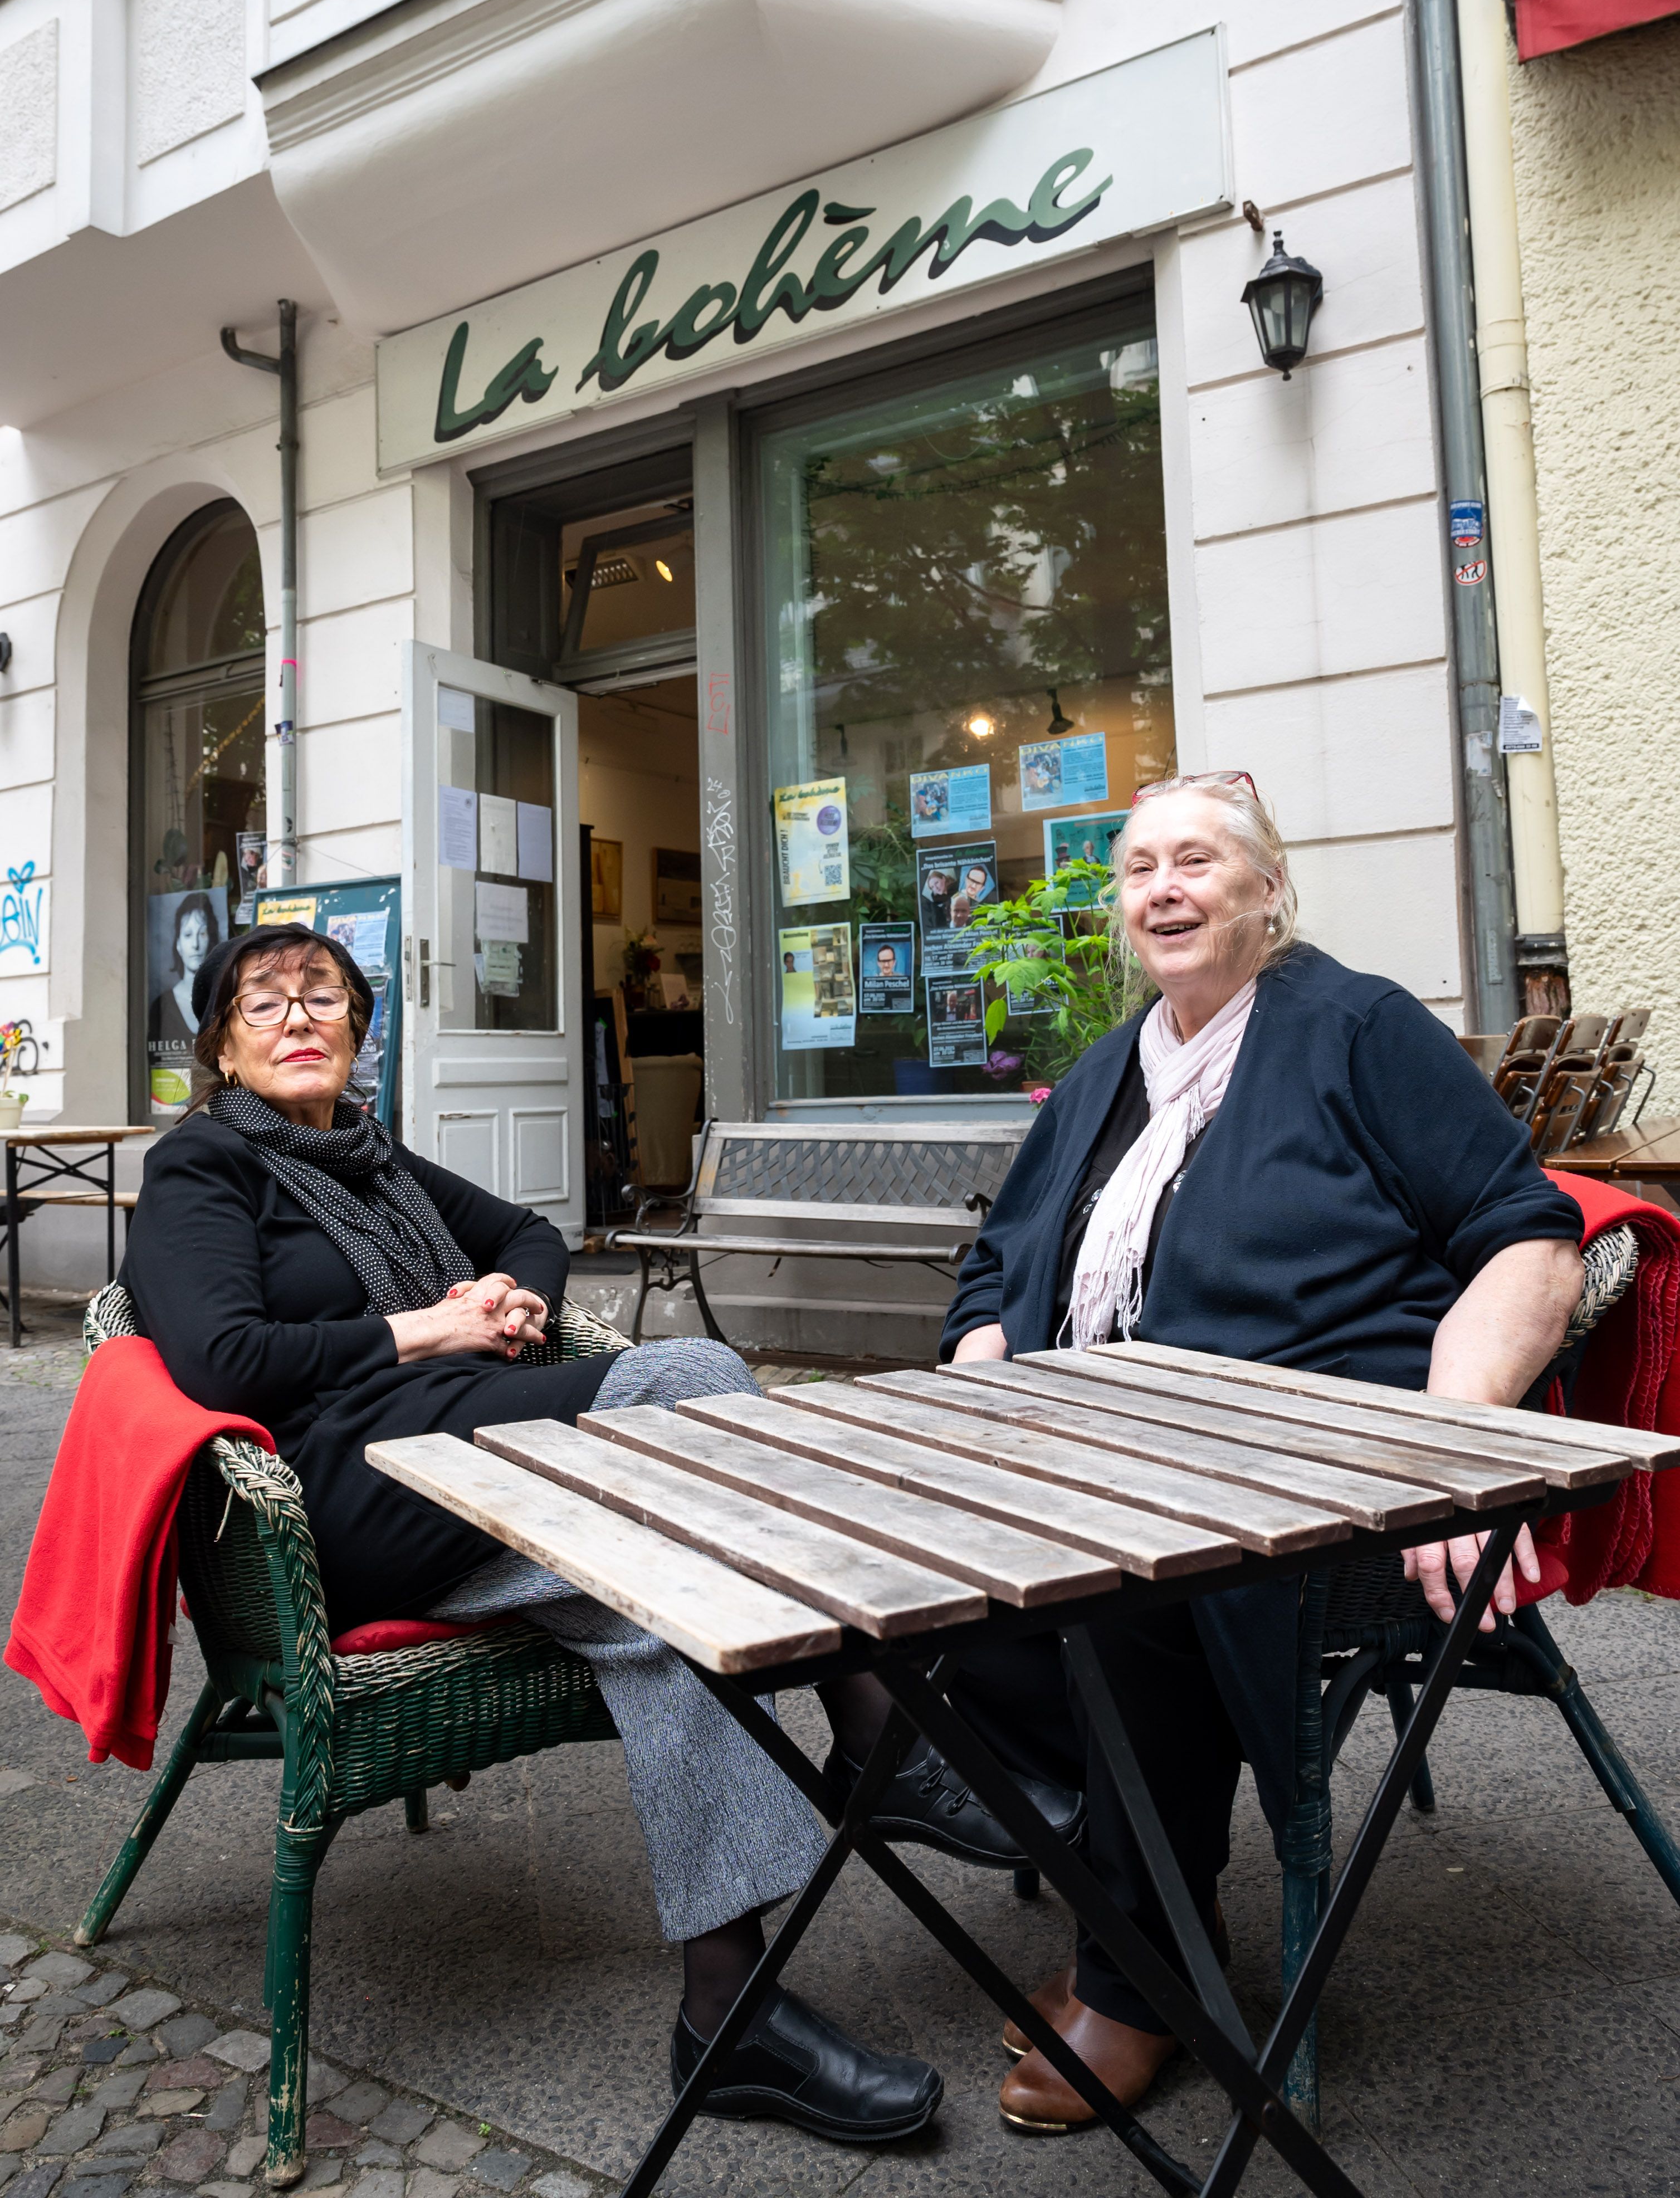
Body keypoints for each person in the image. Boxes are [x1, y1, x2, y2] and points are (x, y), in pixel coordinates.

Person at [122, 923, 1080, 2144]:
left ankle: (728, 2014)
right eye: (264, 1002)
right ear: (222, 1046)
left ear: (360, 1028)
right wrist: (433, 1327)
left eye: (324, 993)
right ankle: (877, 1727)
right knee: (690, 1371)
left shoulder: (374, 1156)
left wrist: (512, 1295)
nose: (300, 1014)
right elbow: (221, 1358)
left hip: (475, 1458)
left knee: (668, 1607)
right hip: (346, 1495)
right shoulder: (204, 1164)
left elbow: (526, 1231)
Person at [938, 772, 1584, 2131]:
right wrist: (983, 1349)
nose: (1162, 887)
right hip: (1091, 1439)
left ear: (1266, 889)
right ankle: (1131, 1893)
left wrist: (1451, 1442)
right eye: (1137, 868)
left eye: (1195, 859)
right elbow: (1000, 1254)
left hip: (1300, 1463)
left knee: (1117, 1583)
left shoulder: (1352, 1027)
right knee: (901, 1583)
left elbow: (1525, 1240)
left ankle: (1139, 1971)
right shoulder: (1109, 1068)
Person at [147, 892, 217, 1049]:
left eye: (202, 933)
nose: (195, 944)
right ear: (178, 944)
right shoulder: (161, 1008)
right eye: (188, 934)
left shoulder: (225, 1001)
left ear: (211, 940)